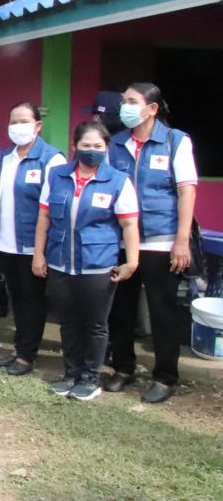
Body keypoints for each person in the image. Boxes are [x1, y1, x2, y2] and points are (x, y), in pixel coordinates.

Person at [33, 121, 139, 401]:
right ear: (74, 146)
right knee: (68, 323)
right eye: (86, 145)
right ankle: (71, 374)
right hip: (59, 262)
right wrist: (39, 254)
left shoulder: (118, 181)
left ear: (106, 148)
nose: (92, 150)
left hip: (97, 266)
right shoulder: (57, 175)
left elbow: (129, 225)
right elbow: (44, 217)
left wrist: (132, 262)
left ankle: (91, 378)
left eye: (98, 146)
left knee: (95, 324)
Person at [105, 83, 198, 404]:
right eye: (123, 101)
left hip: (163, 241)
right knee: (120, 309)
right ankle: (123, 368)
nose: (124, 107)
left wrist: (182, 241)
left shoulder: (175, 141)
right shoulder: (116, 143)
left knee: (163, 311)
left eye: (132, 101)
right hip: (121, 242)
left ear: (152, 108)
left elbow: (186, 190)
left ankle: (165, 377)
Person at [0, 102, 66, 375]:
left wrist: (41, 251)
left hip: (33, 245)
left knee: (33, 300)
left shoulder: (52, 160)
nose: (17, 126)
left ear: (38, 125)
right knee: (17, 298)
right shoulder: (5, 158)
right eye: (13, 121)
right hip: (6, 242)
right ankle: (19, 348)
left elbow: (53, 209)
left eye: (23, 121)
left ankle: (26, 355)